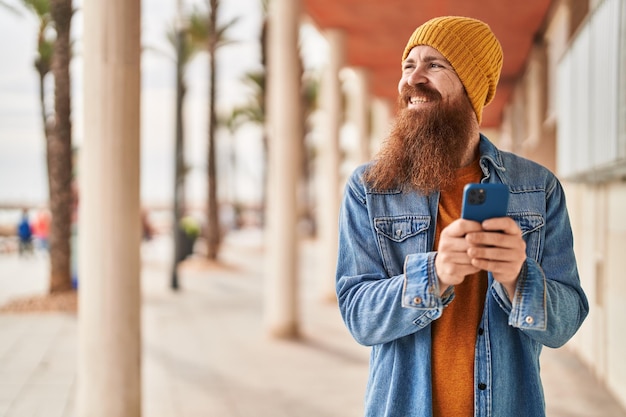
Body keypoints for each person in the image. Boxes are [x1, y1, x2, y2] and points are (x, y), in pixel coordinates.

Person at [335, 16, 589, 417]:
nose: (412, 79)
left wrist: (517, 278)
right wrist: (433, 274)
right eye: (408, 64)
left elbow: (567, 321)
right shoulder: (370, 187)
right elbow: (359, 317)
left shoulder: (538, 187)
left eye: (434, 65)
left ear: (472, 85)